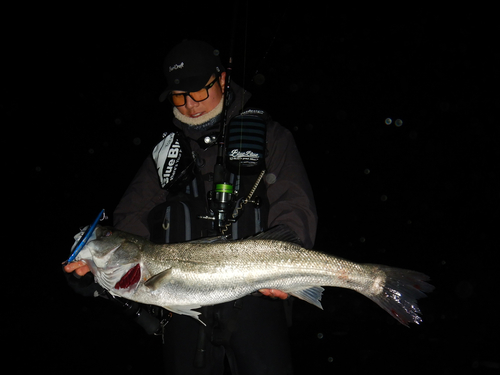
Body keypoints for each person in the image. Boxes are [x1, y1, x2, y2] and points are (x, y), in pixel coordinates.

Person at [65, 39, 317, 374]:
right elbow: (130, 225)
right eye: (179, 97)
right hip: (180, 304)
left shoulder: (270, 135)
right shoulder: (165, 153)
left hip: (256, 296)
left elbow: (295, 202)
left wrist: (288, 262)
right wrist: (94, 269)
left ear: (223, 80)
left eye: (199, 92)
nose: (190, 105)